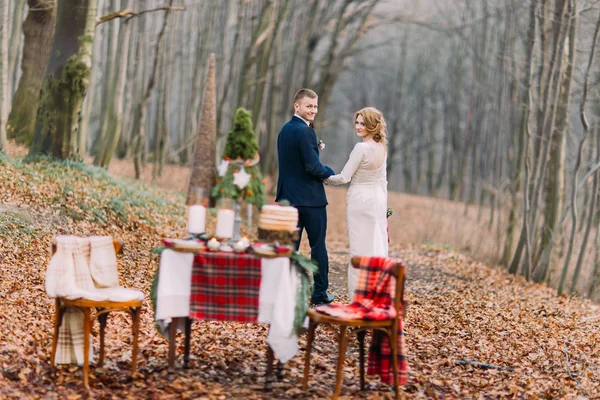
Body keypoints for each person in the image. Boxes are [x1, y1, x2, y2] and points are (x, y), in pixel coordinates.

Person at [276, 88, 335, 305]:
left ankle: (285, 293)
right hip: (311, 201)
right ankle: (319, 295)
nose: (313, 110)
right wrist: (331, 173)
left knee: (290, 248)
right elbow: (312, 166)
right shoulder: (305, 131)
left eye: (315, 106)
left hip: (288, 200)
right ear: (297, 106)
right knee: (318, 247)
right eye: (309, 106)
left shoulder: (284, 131)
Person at [325, 107, 389, 300]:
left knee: (358, 251)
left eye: (363, 123)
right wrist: (384, 211)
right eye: (357, 122)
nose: (358, 127)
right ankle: (375, 296)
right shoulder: (382, 148)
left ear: (372, 125)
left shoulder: (361, 148)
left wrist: (323, 177)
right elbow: (383, 182)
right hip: (377, 200)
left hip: (360, 201)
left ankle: (358, 301)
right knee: (375, 249)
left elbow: (344, 177)